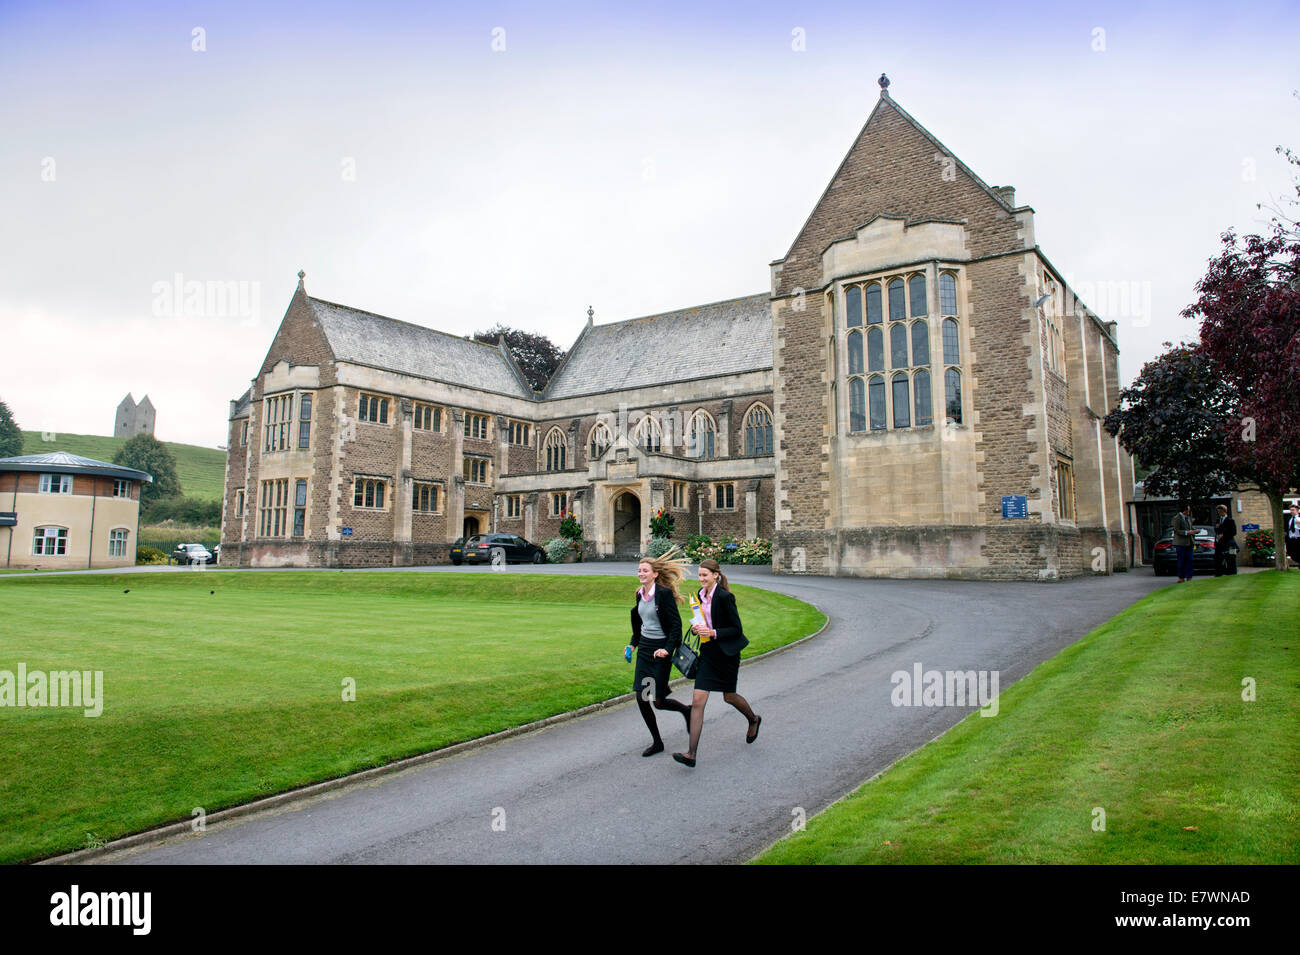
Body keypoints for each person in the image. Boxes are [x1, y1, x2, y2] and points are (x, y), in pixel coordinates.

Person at [672, 558, 761, 768]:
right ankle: (691, 754)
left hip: (727, 654)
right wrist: (697, 629)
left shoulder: (724, 597)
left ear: (715, 575)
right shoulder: (699, 596)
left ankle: (753, 719)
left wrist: (712, 632)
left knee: (729, 697)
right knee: (698, 699)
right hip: (708, 653)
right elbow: (701, 621)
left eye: (705, 575)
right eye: (700, 575)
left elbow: (736, 629)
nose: (702, 578)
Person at [626, 557, 692, 757]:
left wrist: (667, 649)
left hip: (660, 651)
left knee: (659, 701)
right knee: (642, 697)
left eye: (645, 570)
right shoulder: (640, 594)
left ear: (655, 574)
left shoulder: (663, 595)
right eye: (639, 570)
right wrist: (632, 643)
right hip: (645, 650)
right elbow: (639, 623)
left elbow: (676, 626)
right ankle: (657, 742)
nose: (641, 573)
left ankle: (686, 711)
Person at [1172, 502, 1196, 583]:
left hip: (1189, 543)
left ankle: (1189, 577)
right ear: (1185, 510)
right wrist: (1187, 532)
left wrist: (1195, 531)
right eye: (1188, 510)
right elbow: (1176, 530)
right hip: (1180, 543)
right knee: (1181, 560)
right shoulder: (1177, 518)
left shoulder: (1187, 518)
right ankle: (1181, 577)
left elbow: (1190, 527)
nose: (1189, 512)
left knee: (1190, 560)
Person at [1214, 504, 1237, 576]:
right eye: (1218, 512)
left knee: (1231, 560)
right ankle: (1219, 574)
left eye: (1221, 511)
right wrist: (1217, 529)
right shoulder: (1218, 520)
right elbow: (1217, 531)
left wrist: (1223, 535)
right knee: (1218, 560)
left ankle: (1232, 574)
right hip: (1220, 544)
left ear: (1225, 511)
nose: (1219, 513)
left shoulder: (1230, 520)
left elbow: (1233, 532)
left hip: (1230, 544)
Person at [1287, 504, 1300, 569]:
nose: (1291, 511)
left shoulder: (1299, 518)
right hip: (1292, 539)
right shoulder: (1290, 519)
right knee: (1292, 554)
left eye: (1293, 510)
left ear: (1297, 511)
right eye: (1290, 510)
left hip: (1299, 538)